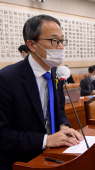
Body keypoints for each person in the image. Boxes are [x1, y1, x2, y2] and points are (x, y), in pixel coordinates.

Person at [0, 15, 83, 170]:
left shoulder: (54, 74)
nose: (60, 47)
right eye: (54, 41)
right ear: (32, 44)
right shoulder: (6, 79)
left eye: (62, 41)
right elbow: (2, 135)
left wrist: (64, 126)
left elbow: (58, 110)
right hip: (22, 162)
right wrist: (45, 140)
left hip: (53, 157)